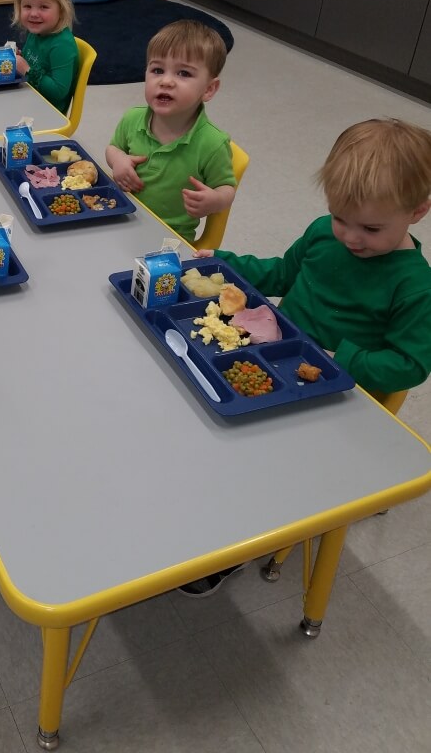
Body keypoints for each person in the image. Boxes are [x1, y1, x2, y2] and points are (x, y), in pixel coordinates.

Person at [181, 118, 431, 599]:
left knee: (264, 468)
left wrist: (343, 356)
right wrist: (224, 261)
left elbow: (410, 366)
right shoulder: (324, 234)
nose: (350, 237)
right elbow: (281, 273)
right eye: (340, 218)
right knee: (204, 417)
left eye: (371, 228)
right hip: (273, 364)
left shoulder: (415, 285)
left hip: (340, 400)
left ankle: (233, 548)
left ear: (418, 211)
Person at [106, 20, 236, 244]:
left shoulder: (213, 143)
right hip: (120, 215)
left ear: (209, 89)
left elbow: (226, 188)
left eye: (184, 73)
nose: (166, 81)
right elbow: (113, 148)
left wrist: (214, 200)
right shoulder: (132, 118)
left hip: (169, 239)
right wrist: (118, 160)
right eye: (157, 70)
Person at [11, 0, 78, 115]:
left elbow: (58, 92)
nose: (34, 14)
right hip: (28, 99)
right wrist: (19, 58)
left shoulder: (62, 45)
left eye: (43, 7)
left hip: (46, 114)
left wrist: (26, 70)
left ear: (61, 8)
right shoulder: (37, 32)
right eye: (27, 6)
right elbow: (33, 62)